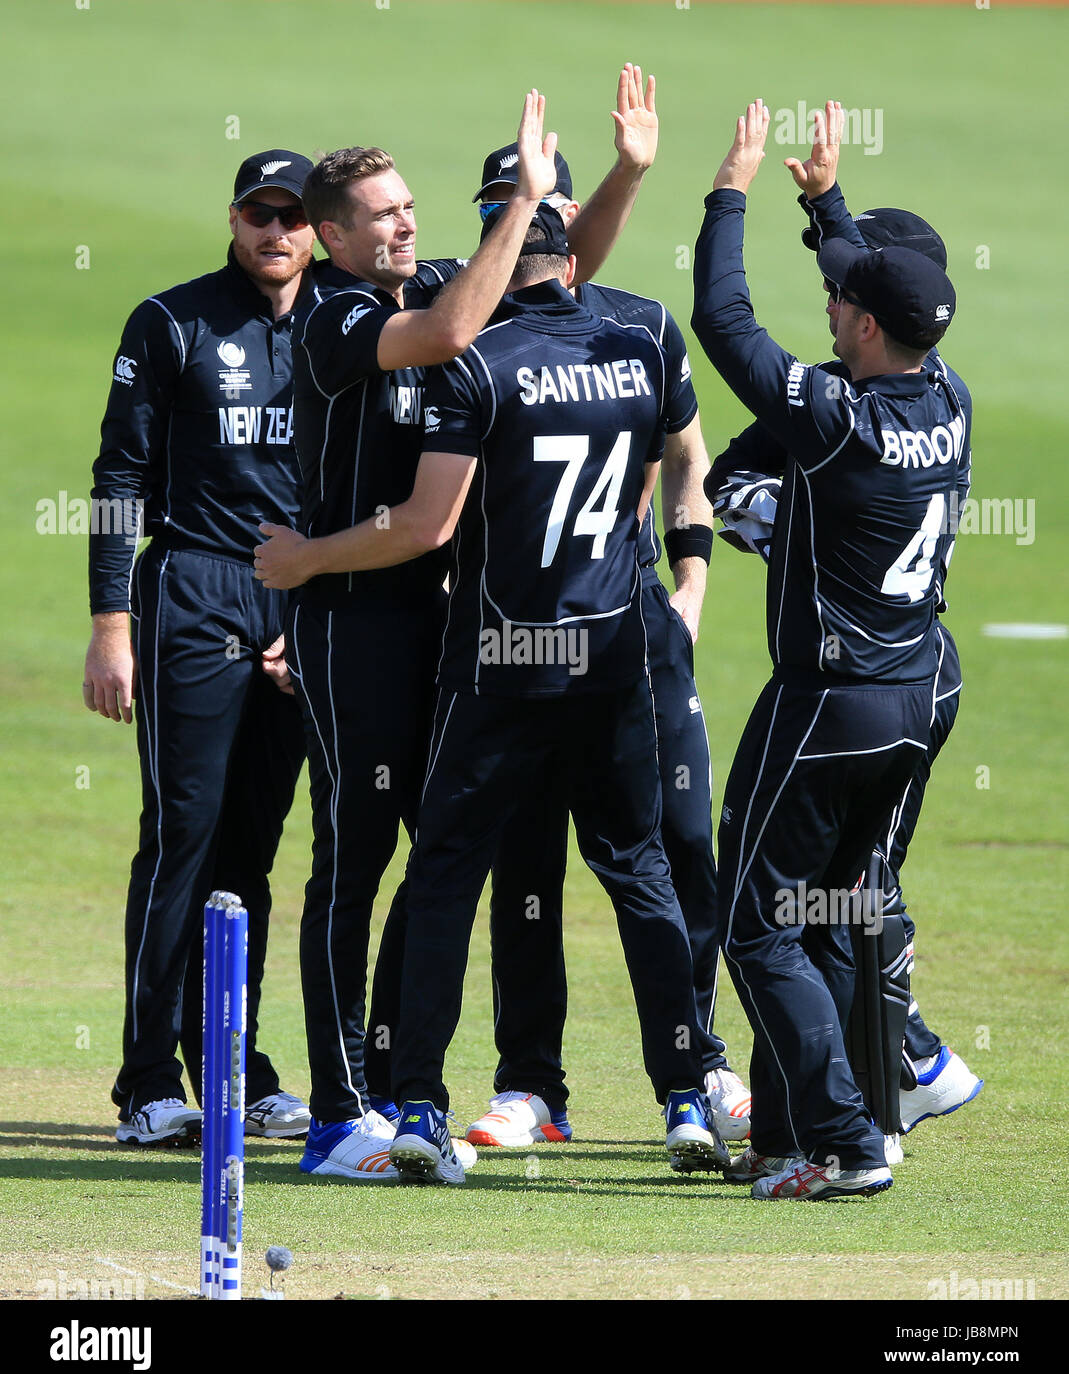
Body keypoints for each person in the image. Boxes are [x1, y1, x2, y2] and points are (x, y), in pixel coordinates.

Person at [259, 206, 727, 1186]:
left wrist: (305, 562)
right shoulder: (636, 339)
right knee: (638, 872)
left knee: (442, 878)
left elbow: (429, 524)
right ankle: (687, 1092)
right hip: (609, 655)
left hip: (501, 663)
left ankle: (420, 1107)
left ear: (500, 258)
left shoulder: (476, 360)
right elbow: (661, 474)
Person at [690, 100, 971, 1200]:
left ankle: (846, 1142)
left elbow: (722, 321)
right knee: (839, 906)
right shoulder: (944, 390)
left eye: (840, 299)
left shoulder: (837, 420)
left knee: (757, 921)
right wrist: (821, 205)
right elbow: (870, 281)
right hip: (912, 692)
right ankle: (804, 1130)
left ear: (858, 329)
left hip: (826, 704)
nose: (834, 300)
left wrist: (731, 191)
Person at [460, 132, 752, 1157]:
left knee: (675, 848)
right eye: (500, 207)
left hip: (635, 635)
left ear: (571, 221)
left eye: (533, 207)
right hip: (515, 647)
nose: (519, 225)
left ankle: (697, 1067)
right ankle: (530, 1083)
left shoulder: (636, 329)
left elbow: (688, 459)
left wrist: (691, 586)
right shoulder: (465, 323)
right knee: (526, 858)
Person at [85, 150, 317, 1145]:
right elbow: (119, 473)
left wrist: (307, 615)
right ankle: (146, 1081)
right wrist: (111, 624)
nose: (275, 231)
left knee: (252, 855)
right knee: (182, 837)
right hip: (191, 590)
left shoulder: (345, 320)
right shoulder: (172, 320)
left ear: (318, 227)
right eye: (259, 214)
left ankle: (235, 1060)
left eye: (294, 216)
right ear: (234, 218)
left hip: (299, 601)